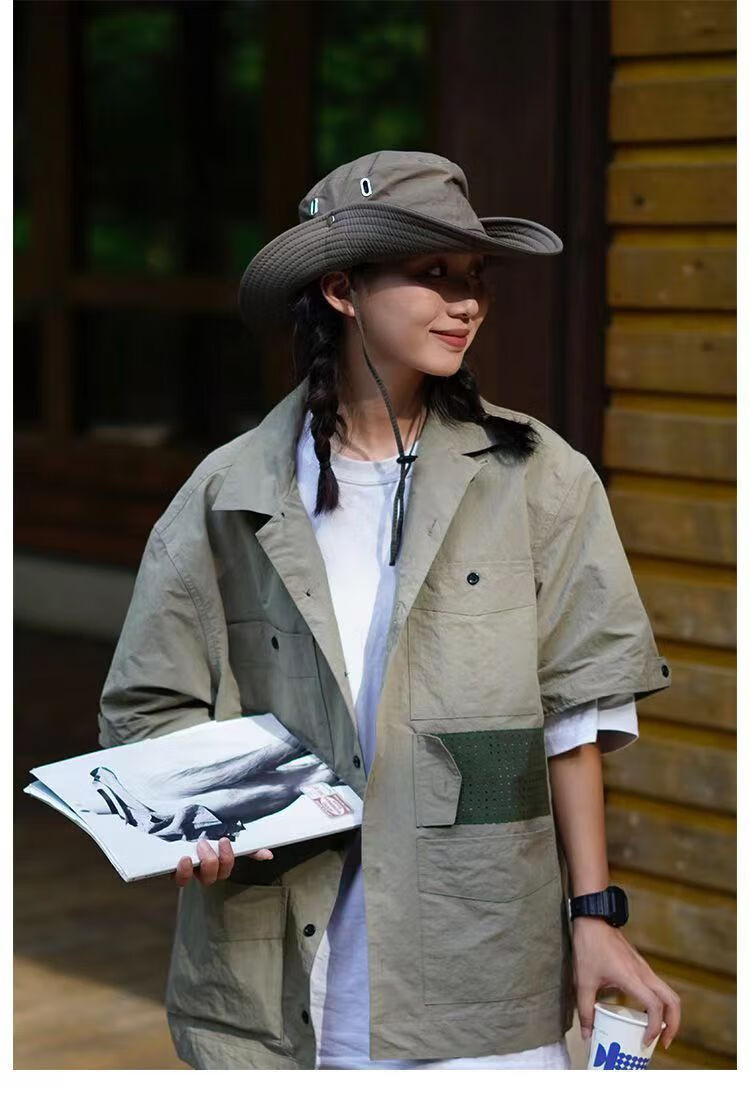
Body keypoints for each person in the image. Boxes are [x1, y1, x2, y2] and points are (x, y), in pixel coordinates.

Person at [98, 150, 681, 1070]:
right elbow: (148, 705)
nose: (466, 302)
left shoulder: (540, 478)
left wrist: (595, 915)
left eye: (475, 276)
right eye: (433, 273)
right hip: (282, 976)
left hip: (483, 960)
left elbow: (573, 717)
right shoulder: (231, 492)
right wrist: (197, 814)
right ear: (342, 289)